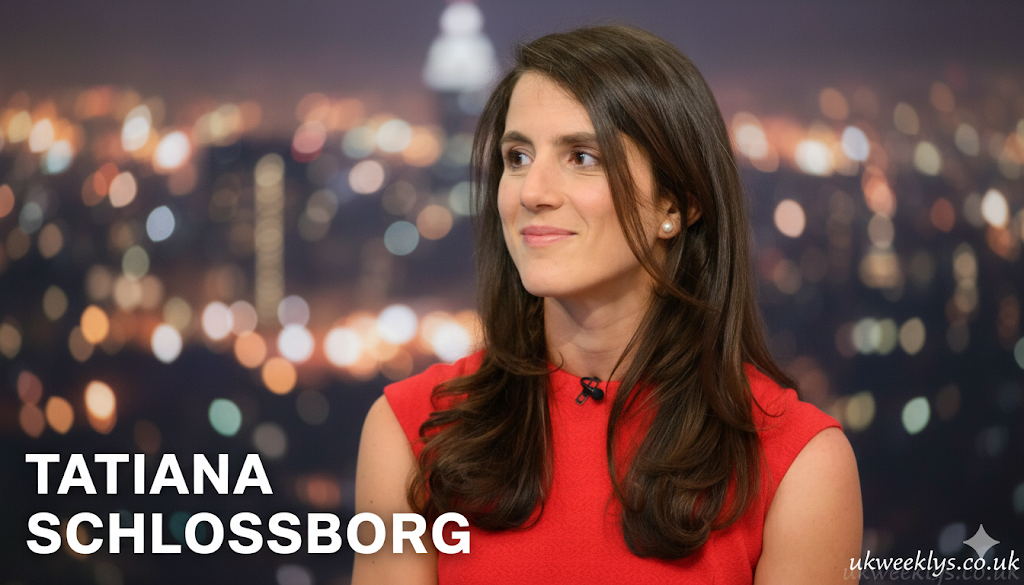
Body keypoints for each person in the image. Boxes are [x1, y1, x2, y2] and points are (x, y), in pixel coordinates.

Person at [353, 25, 862, 585]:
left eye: (581, 156)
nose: (531, 192)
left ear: (676, 204)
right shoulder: (412, 430)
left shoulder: (797, 464)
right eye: (517, 156)